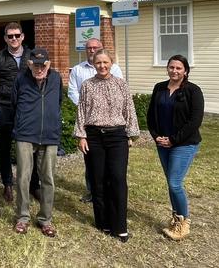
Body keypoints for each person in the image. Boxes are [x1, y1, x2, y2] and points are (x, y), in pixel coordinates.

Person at [74, 49, 139, 242]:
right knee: (98, 180)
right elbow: (81, 111)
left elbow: (129, 109)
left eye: (105, 62)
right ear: (93, 64)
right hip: (93, 137)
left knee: (118, 179)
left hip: (117, 136)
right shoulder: (87, 85)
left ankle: (120, 225)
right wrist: (81, 136)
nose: (102, 66)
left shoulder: (121, 84)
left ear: (111, 63)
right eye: (98, 63)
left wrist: (130, 134)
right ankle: (103, 222)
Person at [147, 55, 204, 240]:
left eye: (179, 68)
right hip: (162, 143)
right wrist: (157, 137)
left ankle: (184, 223)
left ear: (185, 71)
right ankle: (176, 219)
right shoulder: (159, 88)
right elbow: (150, 117)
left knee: (174, 182)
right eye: (171, 67)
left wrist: (173, 140)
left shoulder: (193, 91)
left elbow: (194, 121)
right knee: (171, 183)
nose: (174, 71)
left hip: (184, 144)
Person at [12, 48, 62, 237]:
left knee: (48, 179)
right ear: (29, 64)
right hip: (25, 134)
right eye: (36, 65)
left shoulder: (56, 79)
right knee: (23, 178)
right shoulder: (21, 79)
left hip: (49, 135)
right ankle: (22, 217)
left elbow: (57, 102)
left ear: (48, 65)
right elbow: (14, 102)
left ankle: (45, 219)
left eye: (43, 65)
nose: (39, 68)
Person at [68, 38, 123, 203]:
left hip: (111, 122)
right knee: (92, 161)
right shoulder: (78, 70)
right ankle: (92, 192)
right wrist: (88, 107)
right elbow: (72, 92)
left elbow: (120, 92)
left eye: (95, 47)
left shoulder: (115, 69)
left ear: (101, 49)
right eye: (89, 48)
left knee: (110, 163)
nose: (92, 50)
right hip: (88, 120)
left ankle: (108, 191)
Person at [0, 22, 39, 203]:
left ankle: (34, 185)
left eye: (17, 35)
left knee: (31, 148)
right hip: (5, 108)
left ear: (22, 37)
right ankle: (8, 184)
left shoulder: (32, 56)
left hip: (27, 109)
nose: (14, 39)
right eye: (10, 36)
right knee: (5, 148)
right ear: (5, 38)